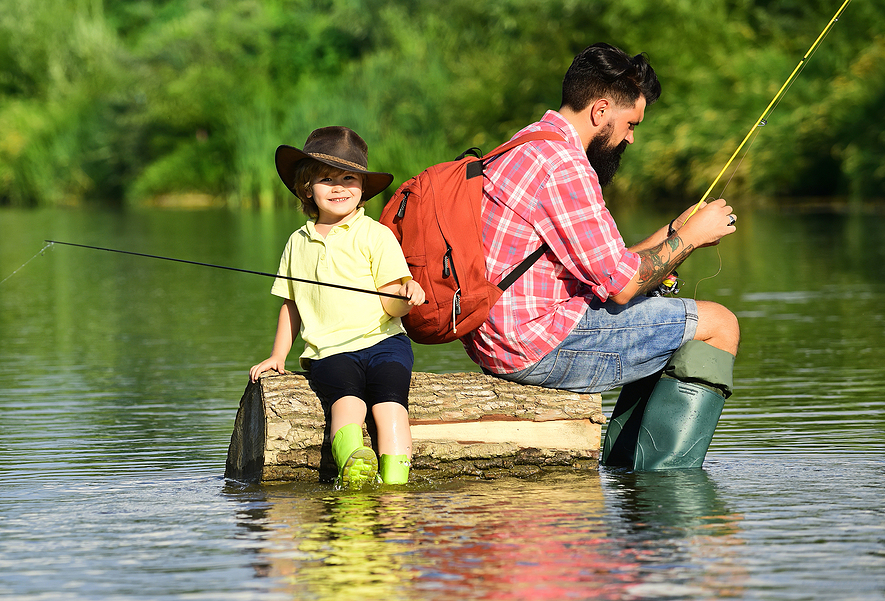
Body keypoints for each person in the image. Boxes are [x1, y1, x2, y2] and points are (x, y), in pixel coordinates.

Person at [461, 43, 740, 469]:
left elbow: (607, 268)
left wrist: (674, 233)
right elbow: (625, 286)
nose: (631, 136)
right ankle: (663, 488)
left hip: (498, 336)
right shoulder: (565, 165)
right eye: (630, 124)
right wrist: (691, 239)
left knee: (665, 312)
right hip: (532, 343)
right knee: (720, 325)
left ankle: (627, 469)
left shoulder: (526, 143)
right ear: (601, 110)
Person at [250, 126, 426, 487]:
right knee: (346, 402)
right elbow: (291, 304)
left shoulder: (376, 235)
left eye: (349, 178)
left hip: (384, 342)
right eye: (327, 178)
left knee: (390, 405)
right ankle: (353, 462)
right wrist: (278, 354)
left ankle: (395, 481)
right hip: (329, 350)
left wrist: (408, 294)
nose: (339, 187)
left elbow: (391, 305)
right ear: (306, 188)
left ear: (362, 188)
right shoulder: (297, 242)